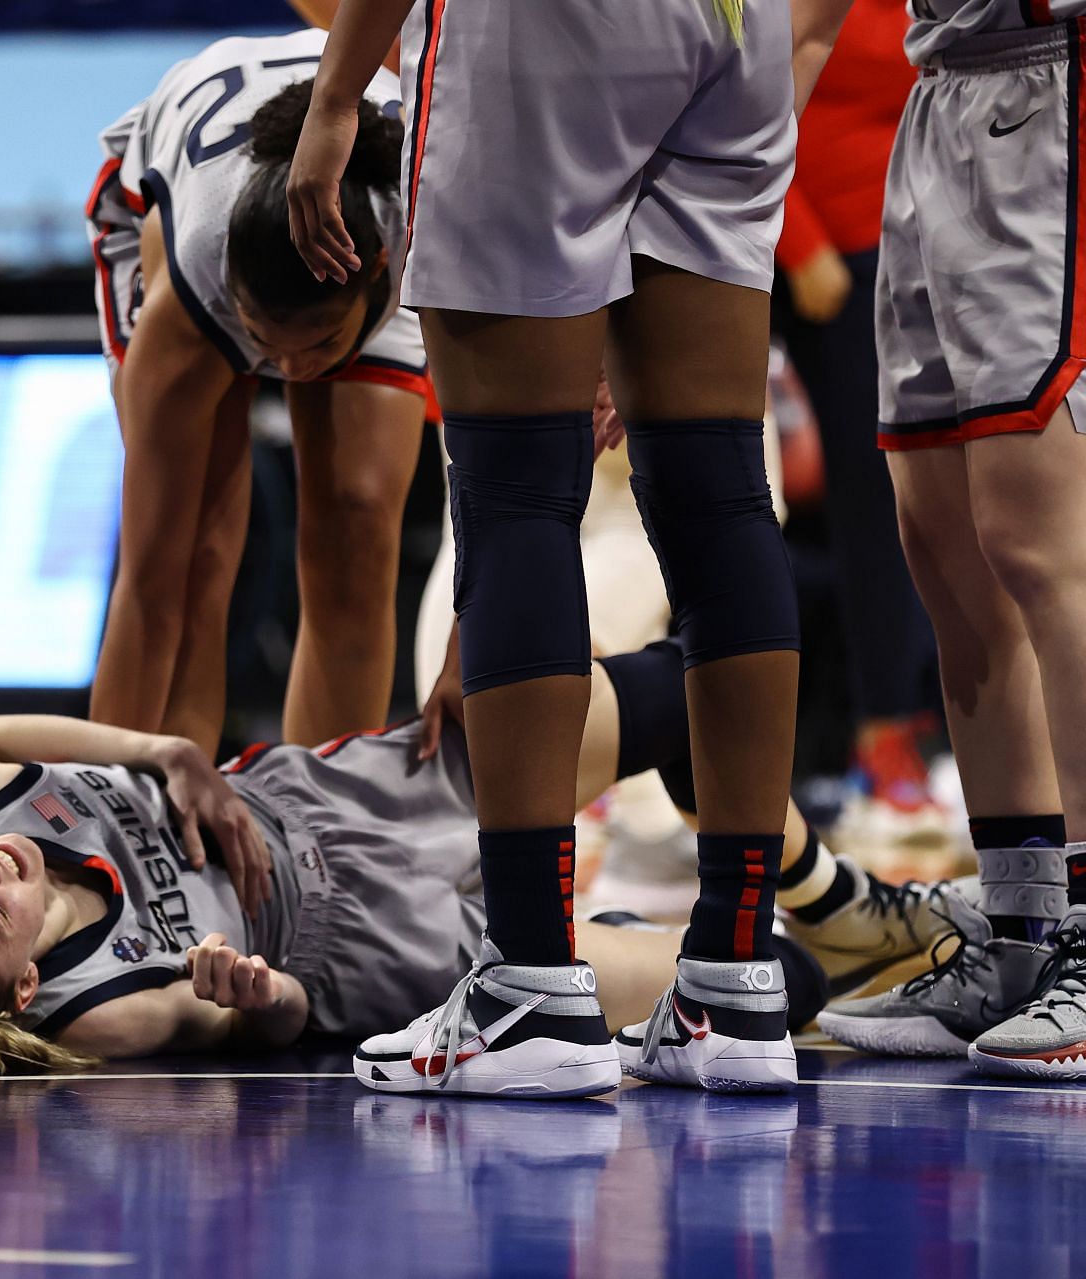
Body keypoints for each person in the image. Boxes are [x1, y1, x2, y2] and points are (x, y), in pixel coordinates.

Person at [285, 0, 857, 1094]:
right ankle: (733, 984)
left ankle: (533, 985)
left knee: (513, 496)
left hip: (543, 31)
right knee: (722, 499)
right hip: (732, 25)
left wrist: (336, 96)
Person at [0, 636, 953, 1088]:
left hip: (345, 794)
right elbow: (270, 1029)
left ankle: (839, 895)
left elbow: (0, 733)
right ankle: (630, 949)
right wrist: (268, 994)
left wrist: (164, 752)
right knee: (769, 984)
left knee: (689, 686)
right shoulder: (101, 1013)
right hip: (386, 949)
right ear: (26, 986)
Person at [813, 0, 1086, 1080]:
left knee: (1038, 542)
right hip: (940, 98)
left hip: (1048, 78)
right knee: (940, 542)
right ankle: (1023, 935)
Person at [85, 30, 452, 757]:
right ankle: (147, 809)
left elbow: (504, 494)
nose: (290, 369)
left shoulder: (429, 229)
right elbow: (146, 586)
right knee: (192, 555)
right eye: (268, 345)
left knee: (356, 538)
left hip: (363, 230)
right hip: (183, 217)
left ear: (380, 271)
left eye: (314, 346)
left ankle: (324, 819)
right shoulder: (193, 281)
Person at [770, 0, 946, 847]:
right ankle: (878, 733)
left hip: (911, 240)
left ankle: (903, 730)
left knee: (916, 492)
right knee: (858, 498)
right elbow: (749, 99)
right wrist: (798, 243)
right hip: (807, 246)